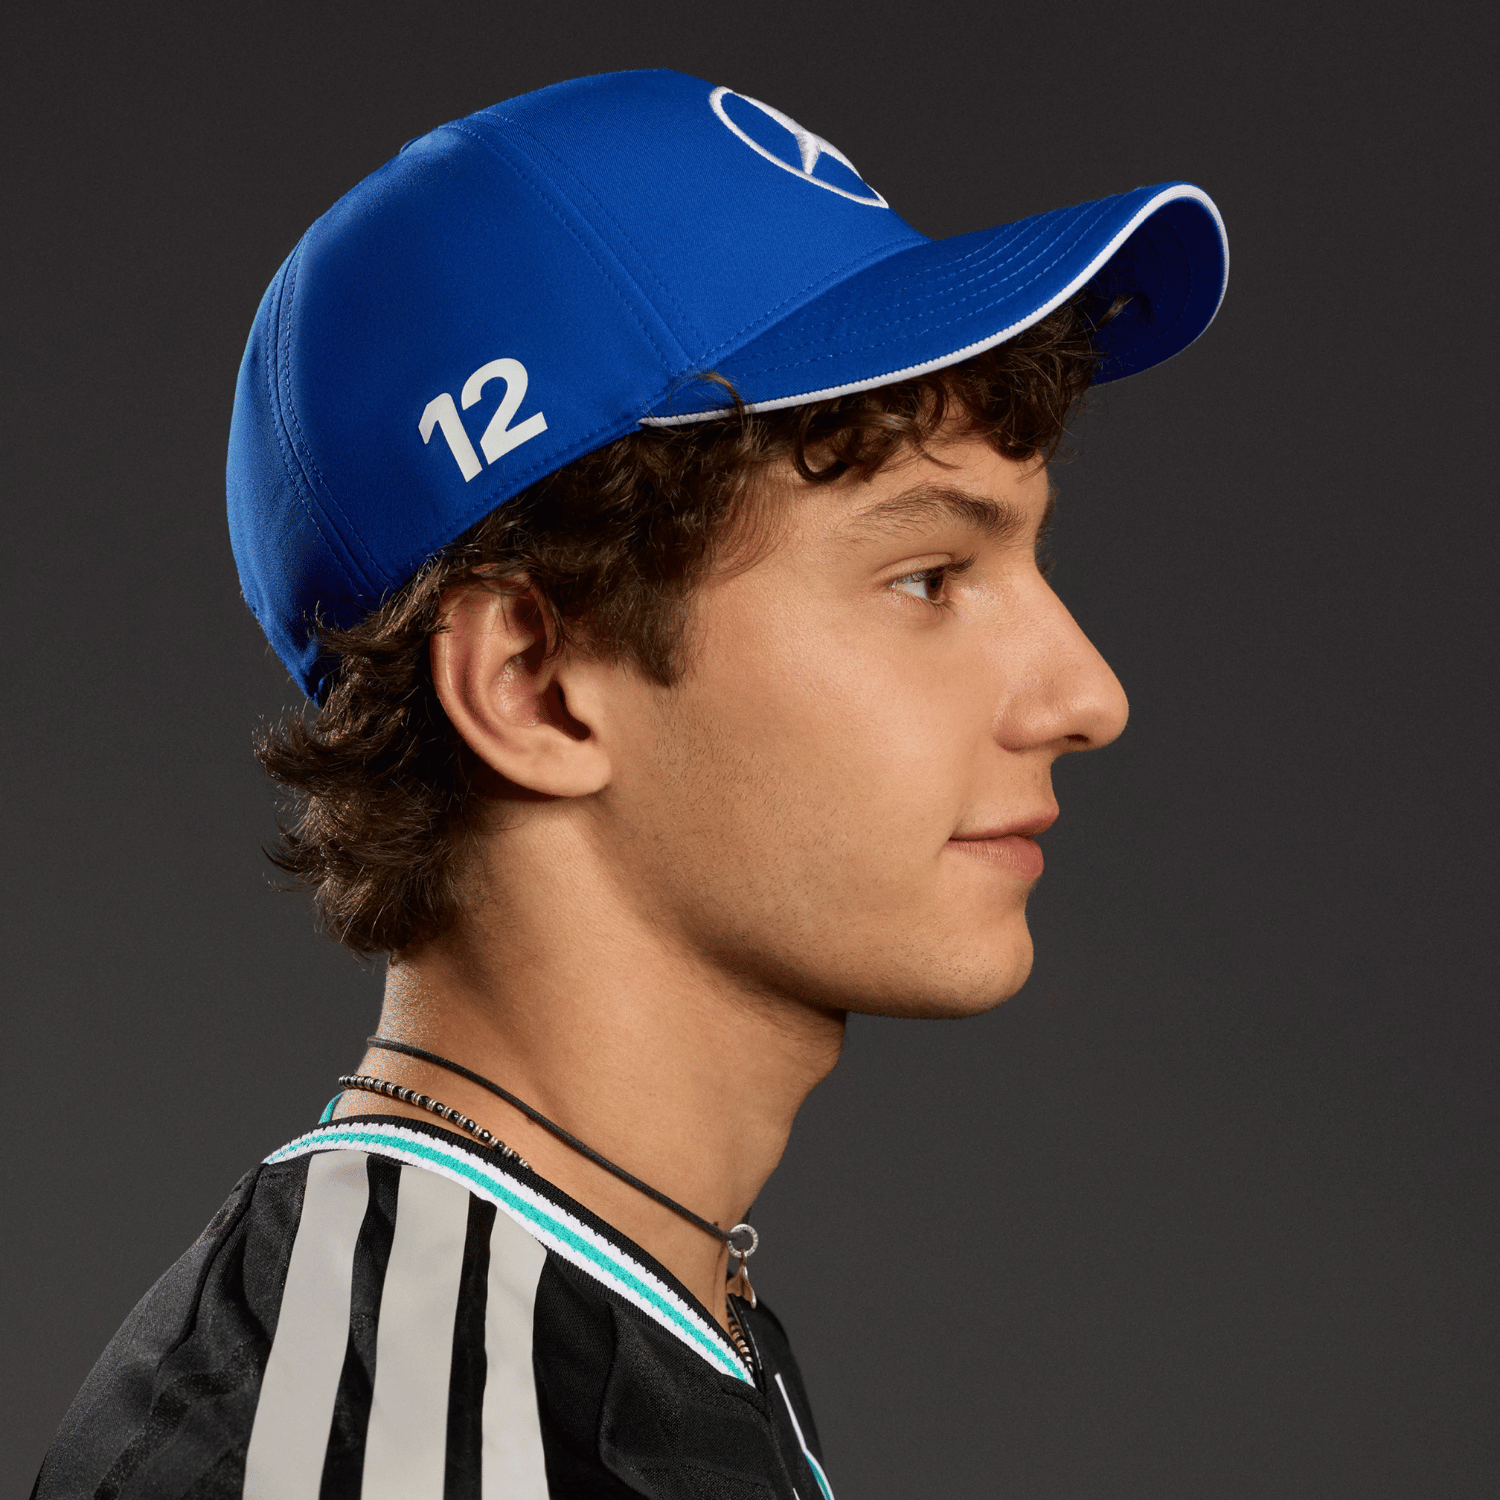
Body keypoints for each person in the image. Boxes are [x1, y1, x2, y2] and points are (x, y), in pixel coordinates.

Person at [33, 68, 1227, 1500]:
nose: (1088, 696)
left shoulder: (610, 1303)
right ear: (533, 683)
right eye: (927, 576)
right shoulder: (391, 1452)